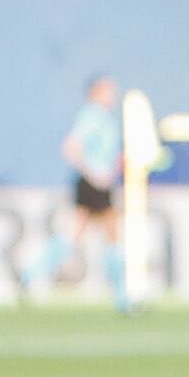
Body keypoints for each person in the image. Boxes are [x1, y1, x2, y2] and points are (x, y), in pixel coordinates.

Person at [55, 78, 121, 297]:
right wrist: (94, 173)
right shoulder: (92, 116)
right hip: (93, 182)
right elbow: (71, 147)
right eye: (109, 91)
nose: (113, 96)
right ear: (97, 92)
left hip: (100, 182)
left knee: (80, 232)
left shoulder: (104, 118)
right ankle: (122, 292)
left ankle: (31, 275)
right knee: (110, 232)